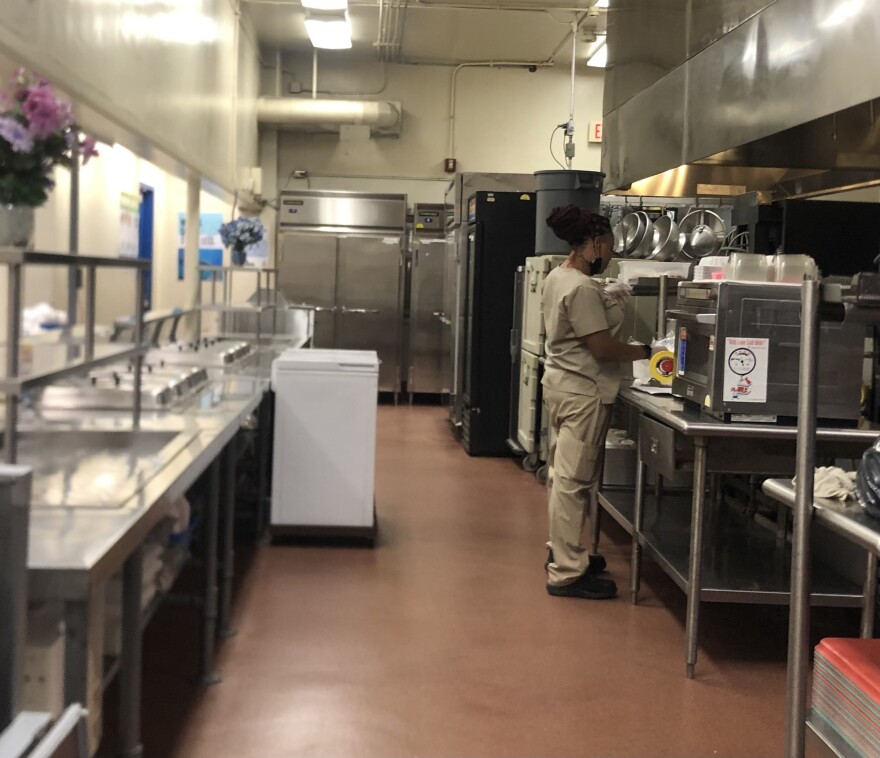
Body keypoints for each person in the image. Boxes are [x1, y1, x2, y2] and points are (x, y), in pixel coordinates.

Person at [541, 205, 651, 600]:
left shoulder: (559, 275)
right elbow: (602, 347)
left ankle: (564, 550)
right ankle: (567, 572)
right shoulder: (582, 287)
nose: (611, 255)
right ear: (596, 243)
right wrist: (648, 352)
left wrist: (608, 297)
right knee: (572, 482)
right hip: (583, 391)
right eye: (611, 247)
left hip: (561, 385)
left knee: (562, 477)